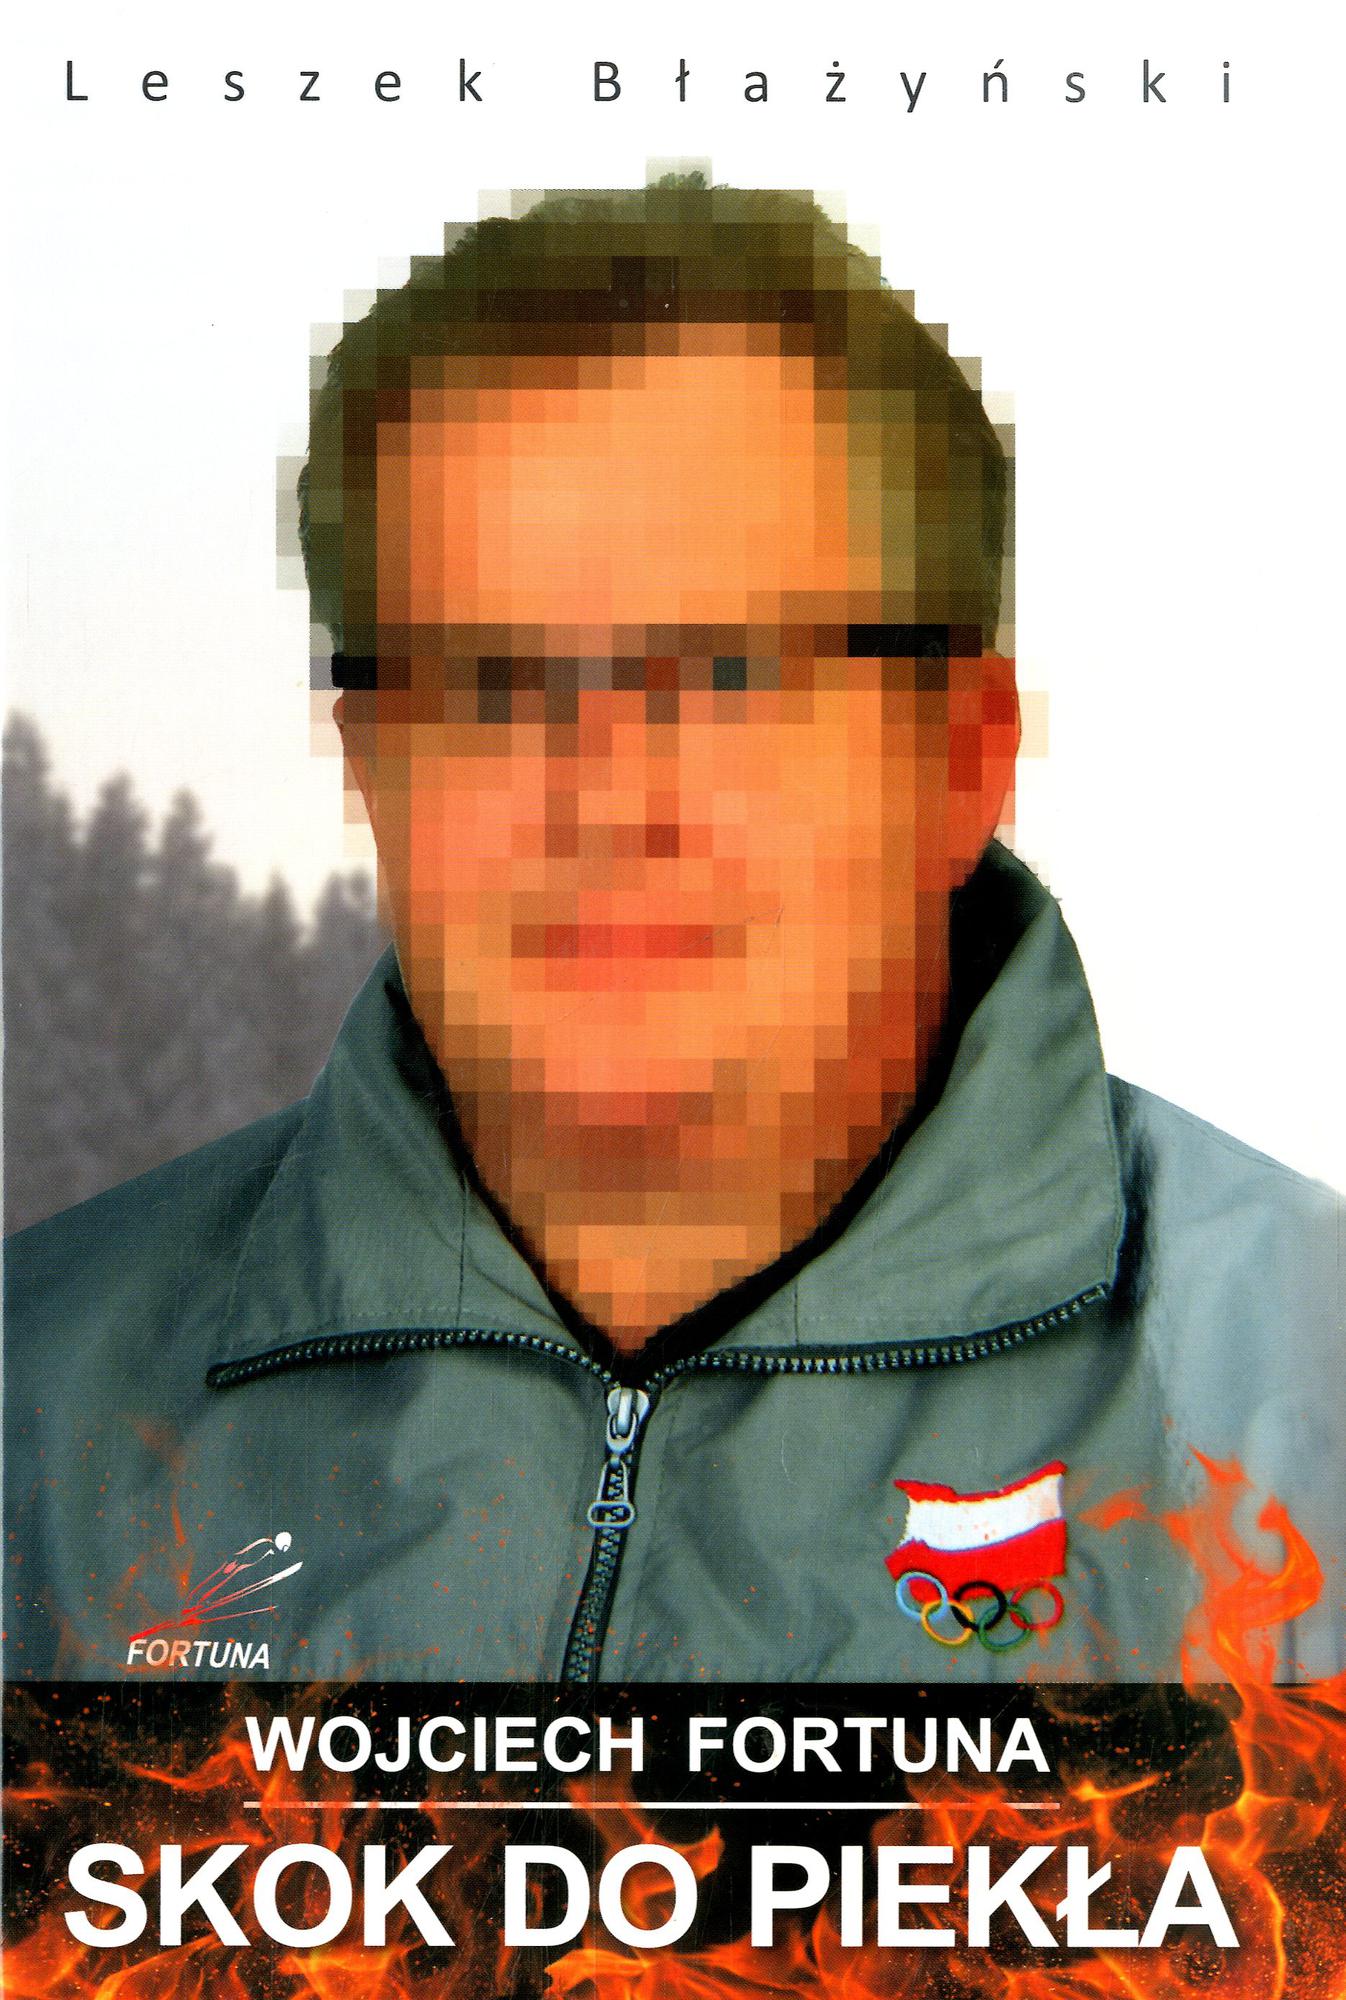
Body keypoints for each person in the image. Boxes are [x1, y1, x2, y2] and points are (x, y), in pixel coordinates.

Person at [5, 179, 1340, 1684]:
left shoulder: (1309, 1414)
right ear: (370, 762)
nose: (608, 800)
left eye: (734, 676)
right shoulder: (32, 1423)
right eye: (492, 683)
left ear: (962, 762)